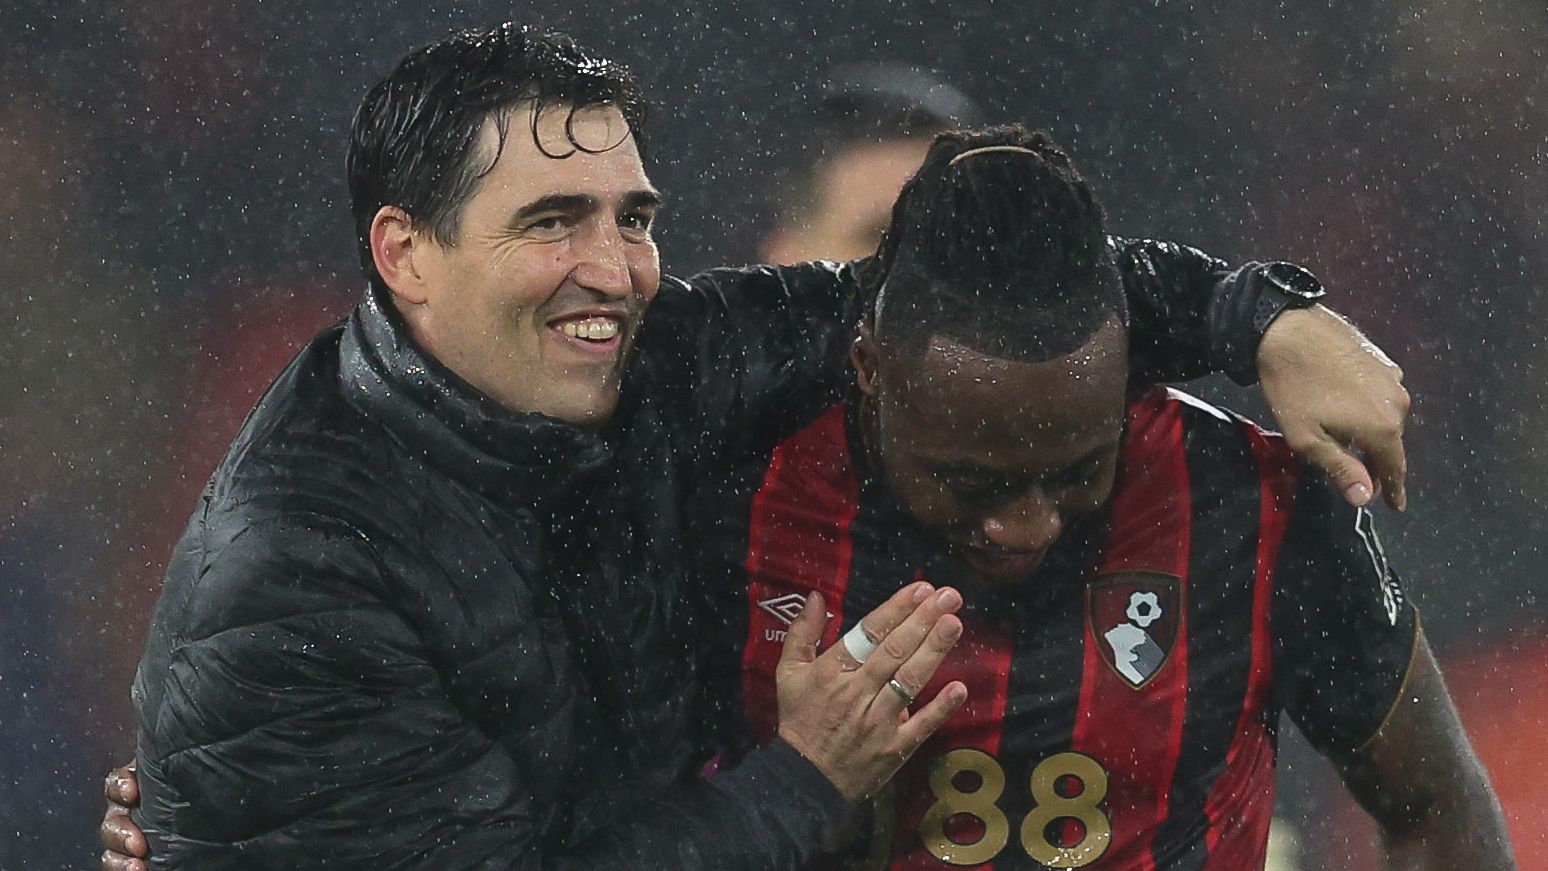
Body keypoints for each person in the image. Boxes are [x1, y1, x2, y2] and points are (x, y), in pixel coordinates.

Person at [100, 24, 1414, 870]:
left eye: (634, 216)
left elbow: (986, 299)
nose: (612, 268)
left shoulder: (663, 365)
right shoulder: (304, 561)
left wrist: (1263, 315)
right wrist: (801, 786)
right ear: (405, 254)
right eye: (553, 220)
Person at [682, 126, 1512, 868]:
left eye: (1079, 470)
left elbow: (1434, 804)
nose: (1026, 524)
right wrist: (802, 789)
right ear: (870, 369)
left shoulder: (1250, 495)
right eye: (972, 482)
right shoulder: (740, 502)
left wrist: (1261, 313)